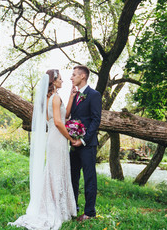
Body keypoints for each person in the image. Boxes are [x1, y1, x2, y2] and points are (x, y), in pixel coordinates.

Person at [9, 69, 77, 230]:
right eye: (60, 79)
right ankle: (54, 208)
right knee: (56, 172)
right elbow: (60, 123)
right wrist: (71, 138)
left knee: (55, 171)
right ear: (53, 82)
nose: (63, 81)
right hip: (58, 138)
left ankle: (58, 206)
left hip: (53, 138)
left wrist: (72, 97)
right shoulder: (55, 98)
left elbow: (65, 115)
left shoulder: (47, 99)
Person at [66, 65, 102, 222]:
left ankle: (89, 212)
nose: (71, 78)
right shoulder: (75, 95)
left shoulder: (94, 95)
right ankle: (74, 208)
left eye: (74, 75)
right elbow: (71, 117)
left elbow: (96, 120)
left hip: (88, 145)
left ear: (83, 77)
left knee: (89, 178)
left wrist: (83, 140)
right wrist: (72, 138)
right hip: (73, 144)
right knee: (72, 177)